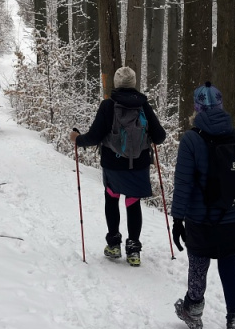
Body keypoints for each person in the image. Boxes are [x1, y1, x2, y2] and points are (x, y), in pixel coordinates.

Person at [171, 82, 235, 329]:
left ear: (197, 108)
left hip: (201, 220)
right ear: (220, 106)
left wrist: (178, 219)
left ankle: (193, 311)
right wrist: (228, 199)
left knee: (199, 267)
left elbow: (183, 184)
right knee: (230, 271)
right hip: (234, 220)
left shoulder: (191, 140)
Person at [69, 66, 166, 267]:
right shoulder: (143, 106)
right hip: (138, 164)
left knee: (112, 199)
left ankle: (113, 244)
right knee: (133, 202)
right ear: (134, 83)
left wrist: (78, 139)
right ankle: (134, 250)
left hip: (113, 164)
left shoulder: (108, 105)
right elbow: (160, 136)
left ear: (116, 83)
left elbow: (94, 136)